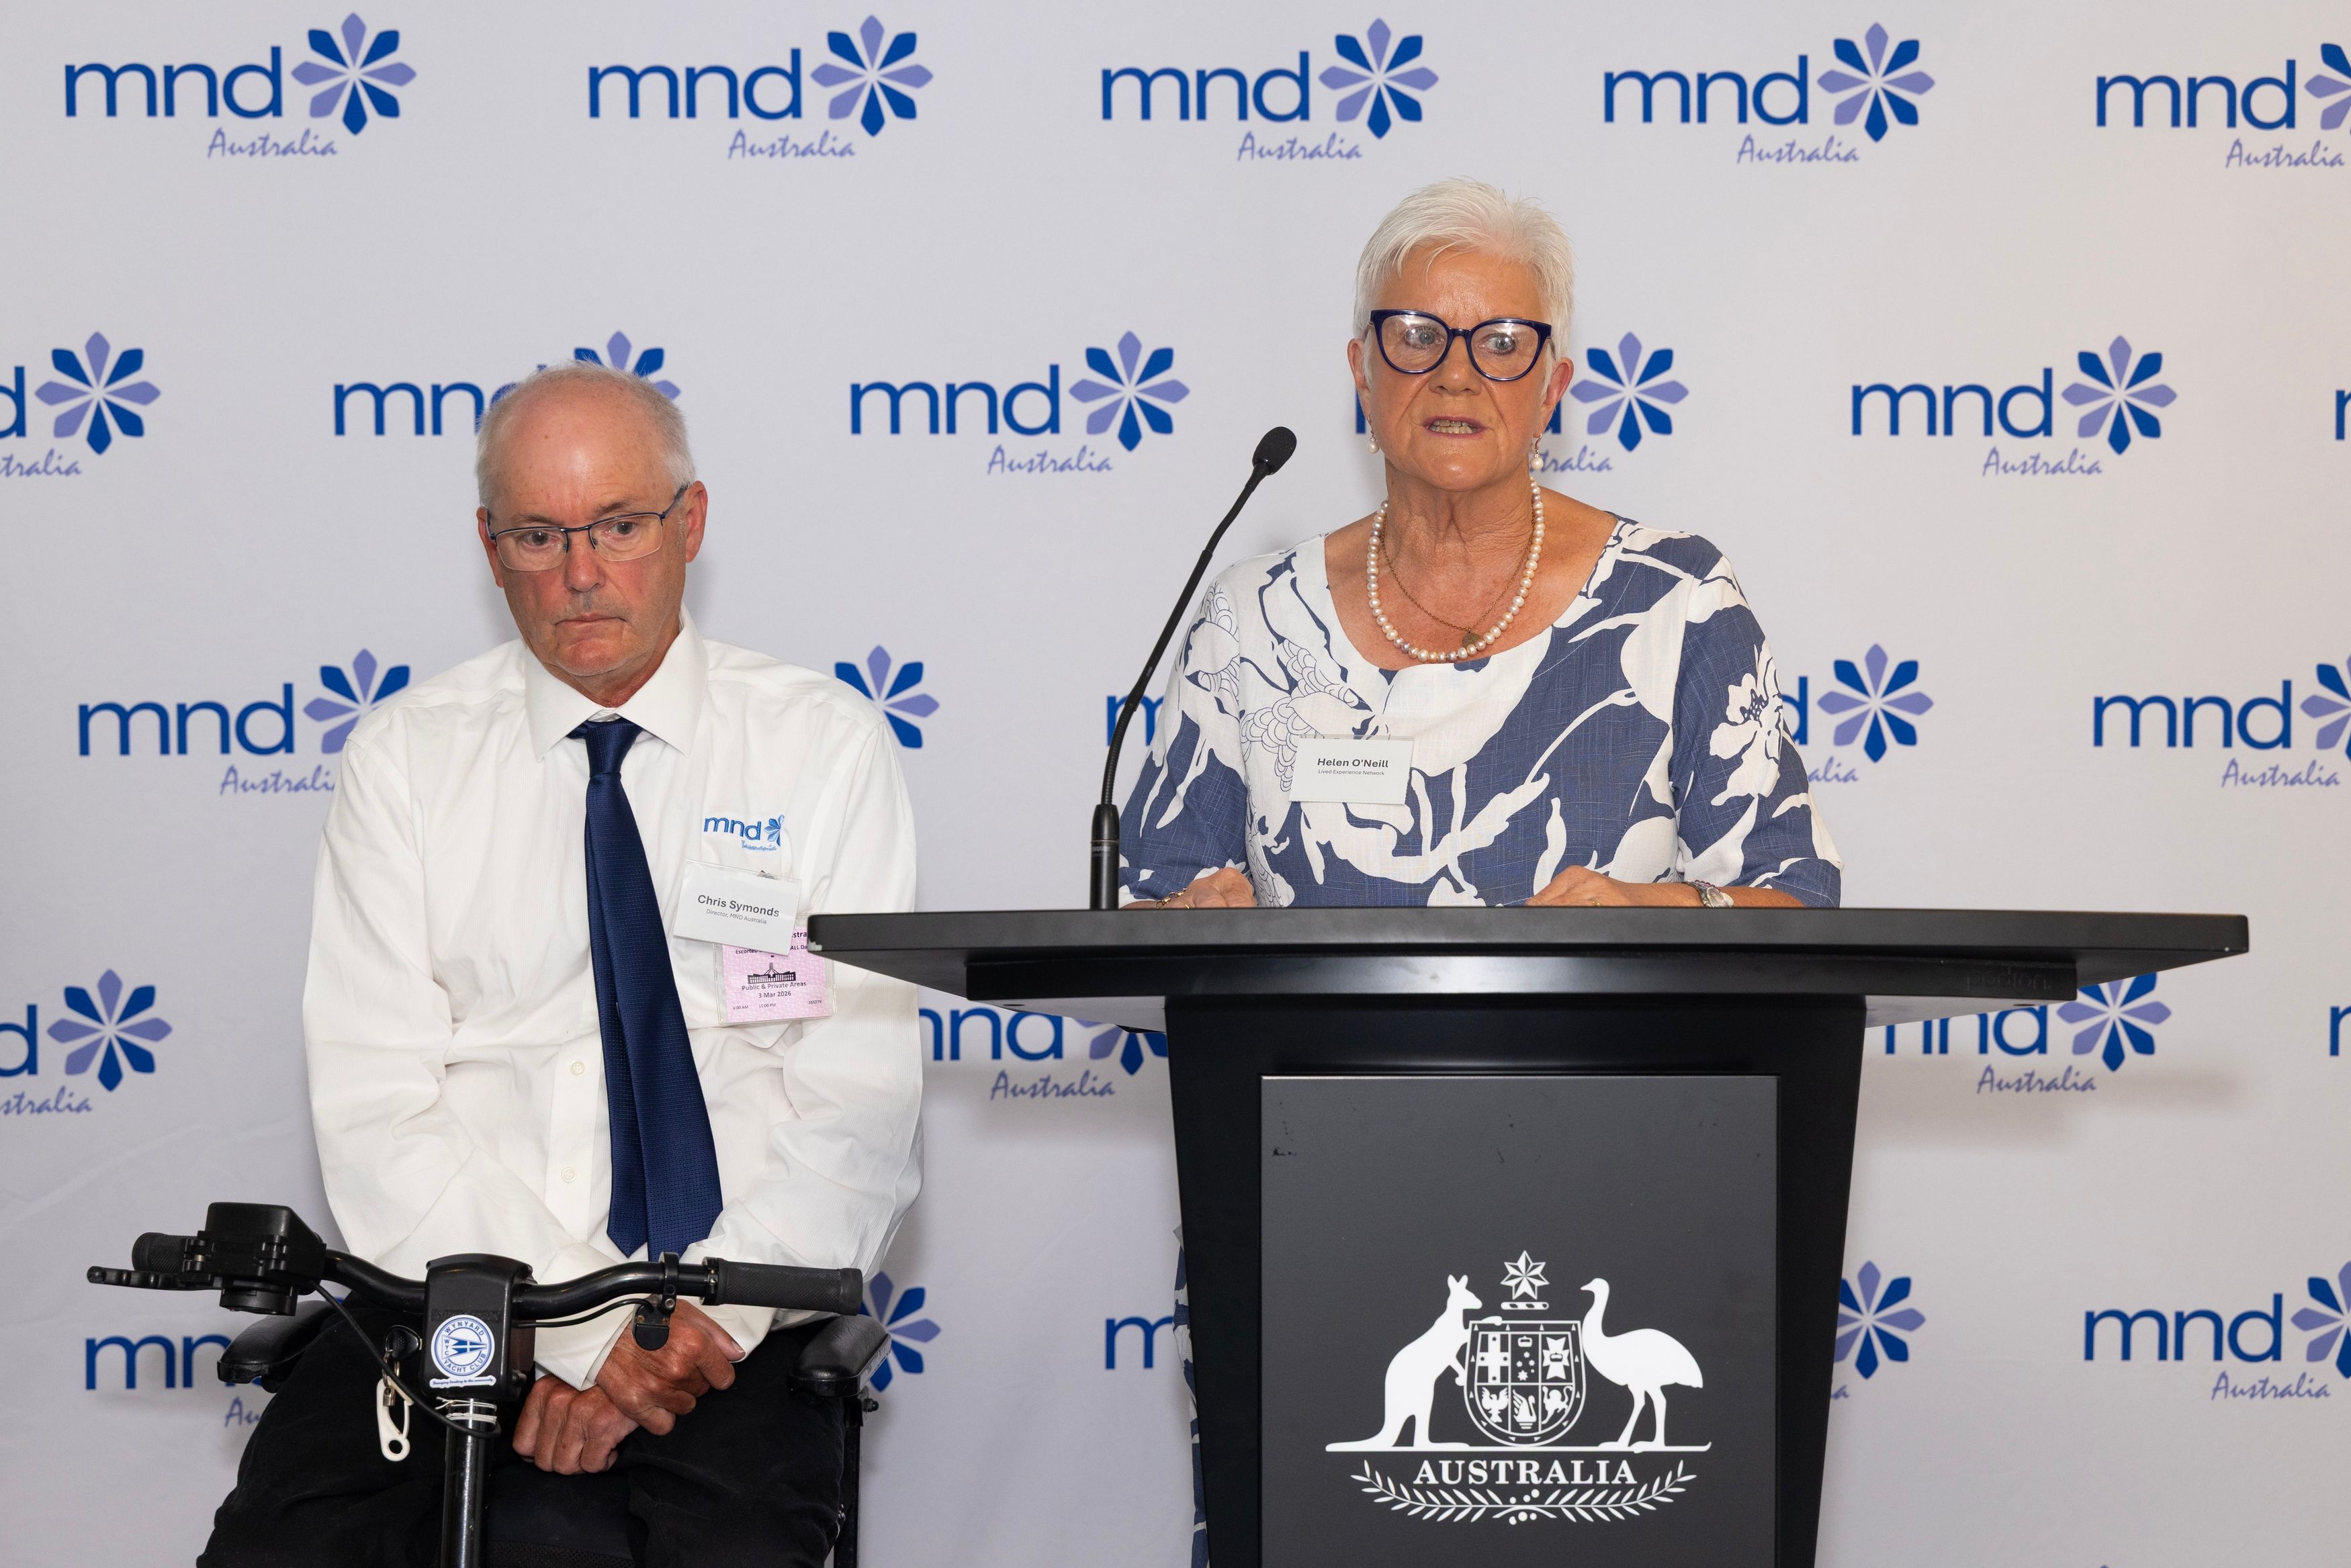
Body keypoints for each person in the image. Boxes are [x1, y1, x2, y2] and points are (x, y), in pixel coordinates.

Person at [202, 361, 922, 1567]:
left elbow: (858, 1106)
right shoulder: (406, 763)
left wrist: (680, 1332)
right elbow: (381, 1109)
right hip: (456, 1307)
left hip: (727, 1323)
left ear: (689, 523)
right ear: (489, 548)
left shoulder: (822, 751)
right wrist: (576, 1337)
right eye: (538, 535)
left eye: (619, 526)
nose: (580, 573)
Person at [1120, 178, 1839, 911]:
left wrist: (1647, 912)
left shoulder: (1675, 601)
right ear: (1362, 377)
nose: (1455, 376)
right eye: (1416, 337)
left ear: (1550, 390)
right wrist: (1194, 916)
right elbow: (1146, 907)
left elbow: (1794, 898)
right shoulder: (1252, 622)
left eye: (1501, 343)